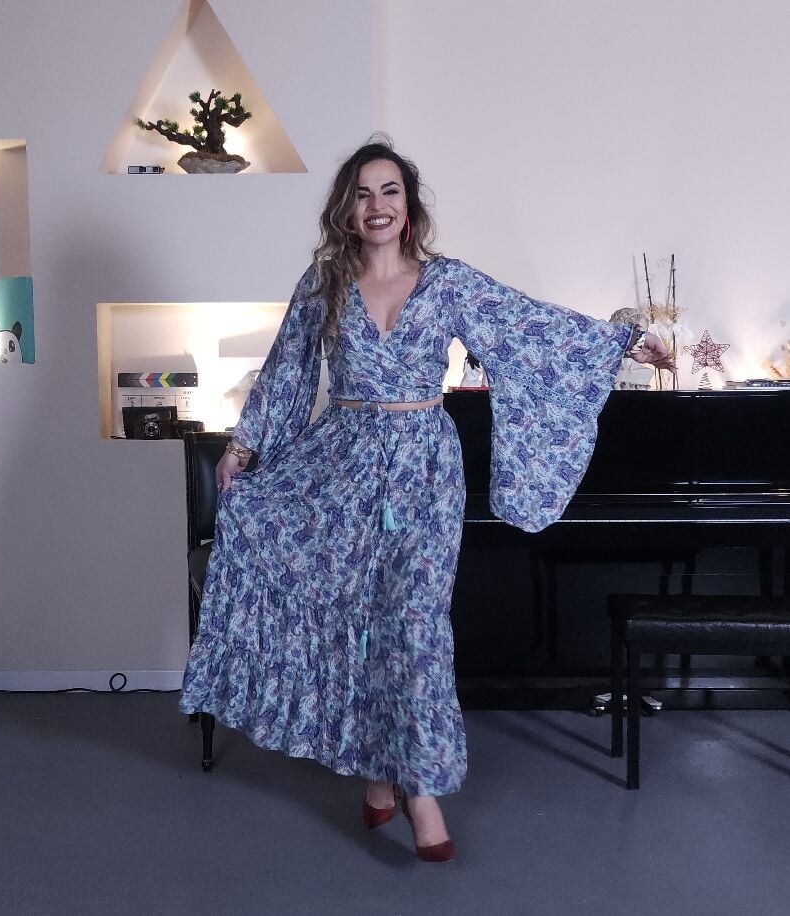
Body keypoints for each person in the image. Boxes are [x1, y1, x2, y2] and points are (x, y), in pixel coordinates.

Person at [179, 138, 674, 862]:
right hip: (342, 465)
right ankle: (378, 772)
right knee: (359, 621)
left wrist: (622, 342)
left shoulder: (447, 283)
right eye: (362, 193)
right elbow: (287, 370)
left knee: (413, 623)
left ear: (408, 207)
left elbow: (528, 329)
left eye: (390, 192)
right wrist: (244, 447)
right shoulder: (324, 282)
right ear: (346, 208)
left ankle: (421, 791)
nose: (376, 205)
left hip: (423, 471)